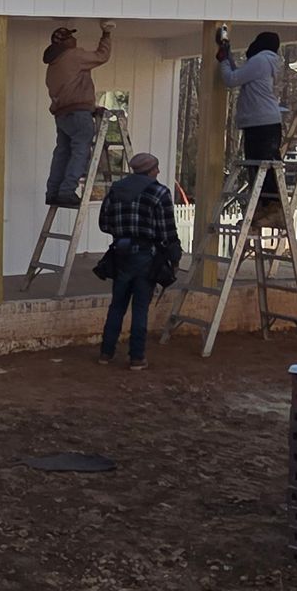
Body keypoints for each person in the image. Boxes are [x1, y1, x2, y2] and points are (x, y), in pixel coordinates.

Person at [95, 150, 181, 369]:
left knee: (117, 305)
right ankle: (136, 357)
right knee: (140, 307)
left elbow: (104, 223)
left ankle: (106, 353)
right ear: (150, 170)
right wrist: (174, 256)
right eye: (157, 168)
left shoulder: (116, 189)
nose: (159, 171)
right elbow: (167, 230)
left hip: (120, 253)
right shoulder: (160, 192)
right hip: (146, 256)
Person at [42, 20, 114, 205]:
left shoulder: (52, 66)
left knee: (62, 152)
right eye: (71, 37)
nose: (75, 39)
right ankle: (66, 191)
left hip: (62, 116)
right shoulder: (73, 56)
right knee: (80, 150)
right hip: (78, 115)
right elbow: (102, 56)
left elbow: (69, 90)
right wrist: (106, 35)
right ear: (65, 41)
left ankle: (53, 192)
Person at [217, 29, 286, 217]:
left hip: (261, 122)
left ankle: (271, 205)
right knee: (261, 166)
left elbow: (231, 79)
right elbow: (239, 74)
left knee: (263, 166)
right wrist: (228, 57)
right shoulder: (266, 61)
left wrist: (223, 61)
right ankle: (265, 205)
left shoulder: (261, 60)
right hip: (263, 121)